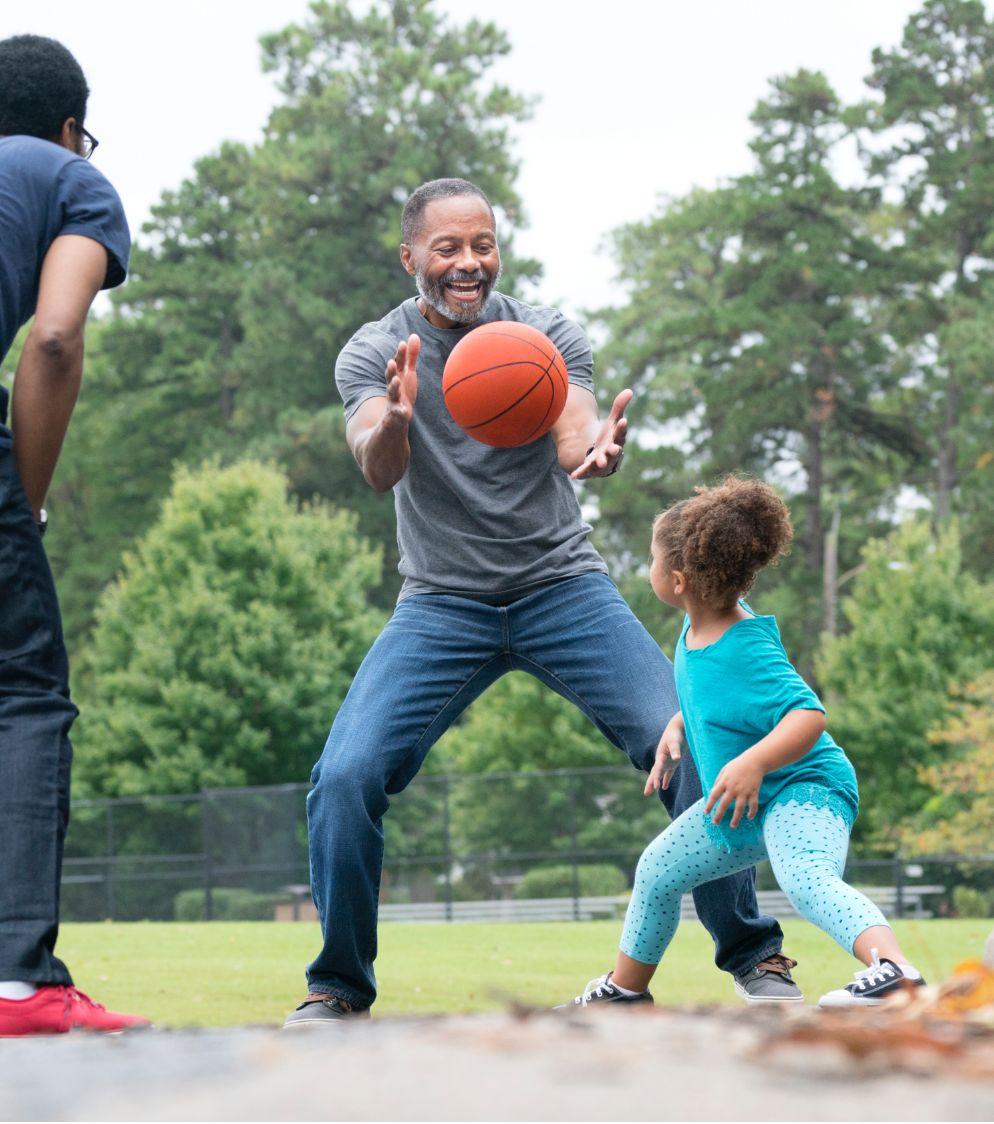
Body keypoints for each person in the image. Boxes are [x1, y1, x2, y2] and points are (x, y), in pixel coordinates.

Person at [284, 178, 798, 1027]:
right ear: (409, 255)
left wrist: (595, 451)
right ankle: (338, 986)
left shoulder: (546, 335)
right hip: (442, 603)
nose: (467, 263)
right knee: (342, 778)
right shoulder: (373, 352)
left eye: (481, 244)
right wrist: (400, 419)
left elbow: (574, 436)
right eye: (446, 248)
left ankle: (753, 952)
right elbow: (377, 465)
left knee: (690, 742)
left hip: (561, 587)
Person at [562, 477, 926, 1010]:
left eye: (651, 560)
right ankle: (625, 991)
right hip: (745, 805)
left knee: (804, 877)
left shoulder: (743, 644)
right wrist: (679, 723)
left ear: (679, 579)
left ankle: (895, 970)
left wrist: (754, 761)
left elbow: (808, 715)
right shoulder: (697, 628)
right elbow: (716, 698)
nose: (648, 569)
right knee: (657, 872)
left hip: (806, 789)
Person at [0, 35, 148, 1035]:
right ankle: (17, 978)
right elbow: (54, 334)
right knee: (21, 694)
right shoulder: (68, 178)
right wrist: (26, 502)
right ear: (69, 128)